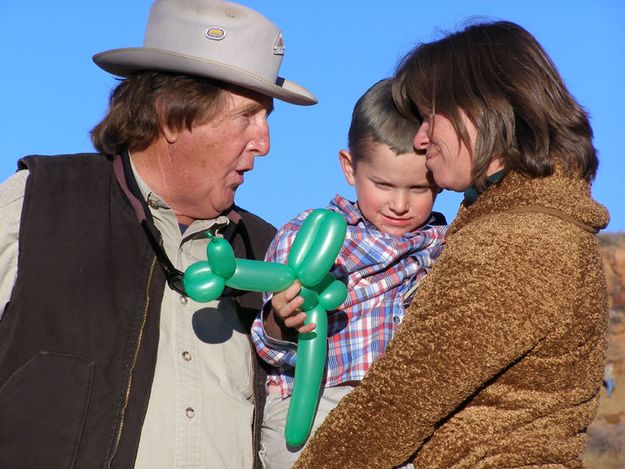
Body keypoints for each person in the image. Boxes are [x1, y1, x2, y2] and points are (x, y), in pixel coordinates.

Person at [0, 1, 316, 468]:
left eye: (266, 118)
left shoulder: (272, 252)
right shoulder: (35, 204)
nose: (264, 143)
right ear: (171, 116)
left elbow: (286, 434)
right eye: (247, 115)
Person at [293, 20, 610, 469]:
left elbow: (398, 403)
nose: (421, 140)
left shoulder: (515, 243)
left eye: (428, 117)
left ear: (480, 109)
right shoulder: (534, 225)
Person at [251, 79, 447, 468]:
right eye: (383, 184)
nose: (400, 204)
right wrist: (281, 320)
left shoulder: (441, 247)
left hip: (401, 415)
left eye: (419, 188)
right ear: (349, 168)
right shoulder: (312, 235)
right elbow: (270, 345)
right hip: (314, 404)